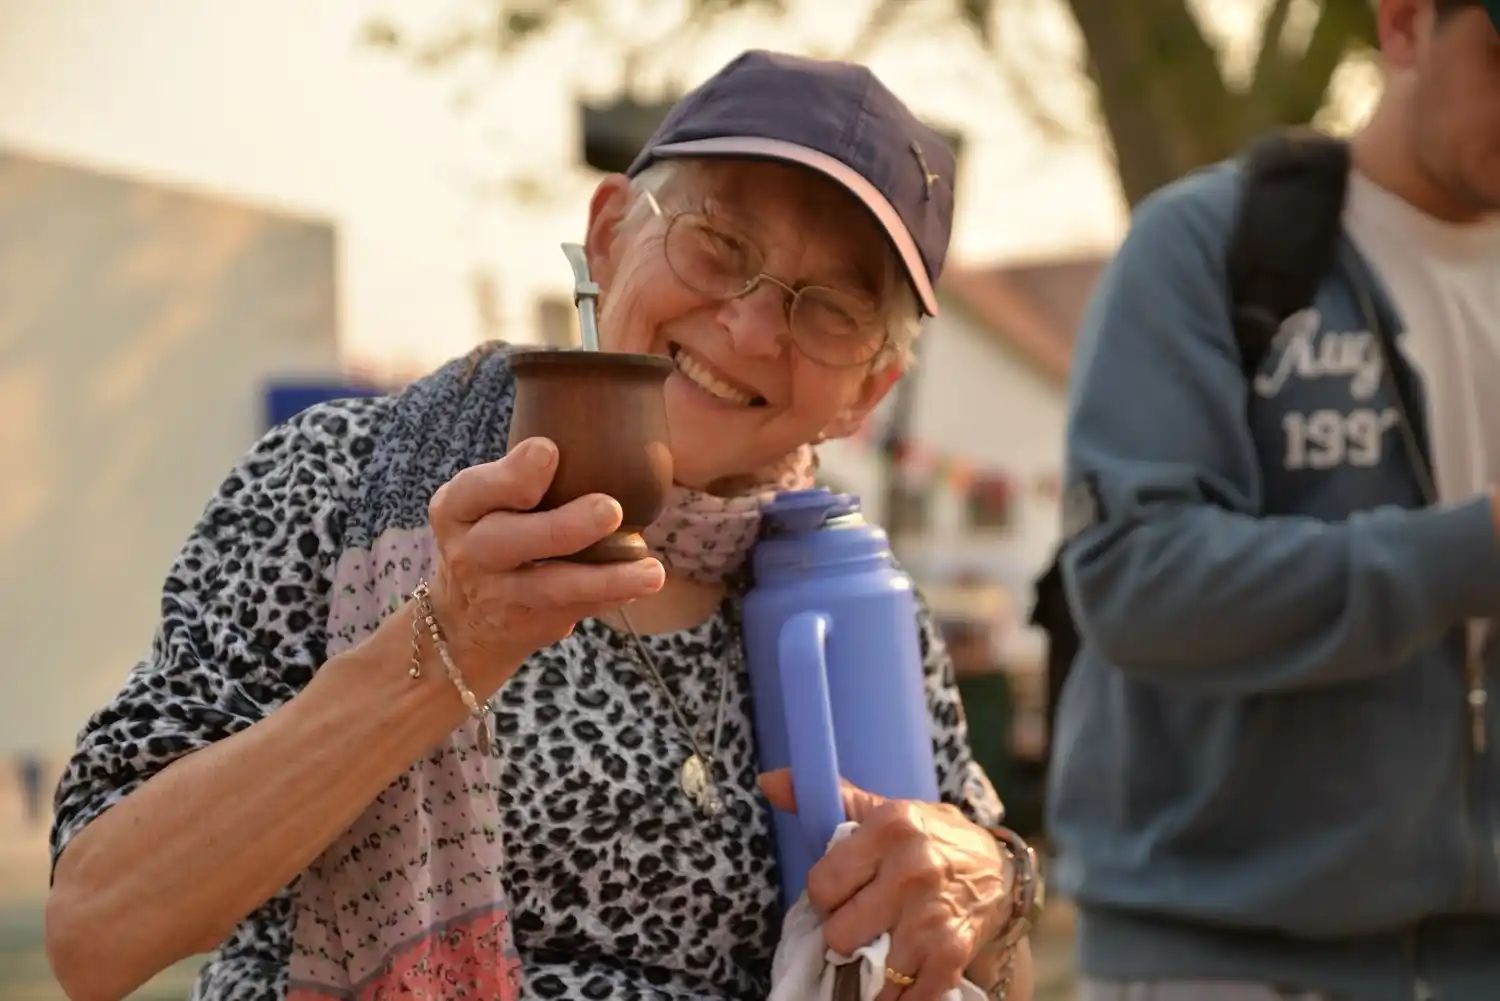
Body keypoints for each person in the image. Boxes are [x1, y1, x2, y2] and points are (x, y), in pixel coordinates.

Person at [44, 50, 1038, 1001]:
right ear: (608, 235)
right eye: (720, 245)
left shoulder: (855, 597)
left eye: (828, 309)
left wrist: (995, 890)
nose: (747, 326)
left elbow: (992, 970)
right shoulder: (336, 477)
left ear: (869, 392)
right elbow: (95, 929)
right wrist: (441, 646)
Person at [1050, 1, 1500, 999]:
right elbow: (1134, 578)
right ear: (1404, 24)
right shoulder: (1203, 244)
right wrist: (1474, 549)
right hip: (1220, 954)